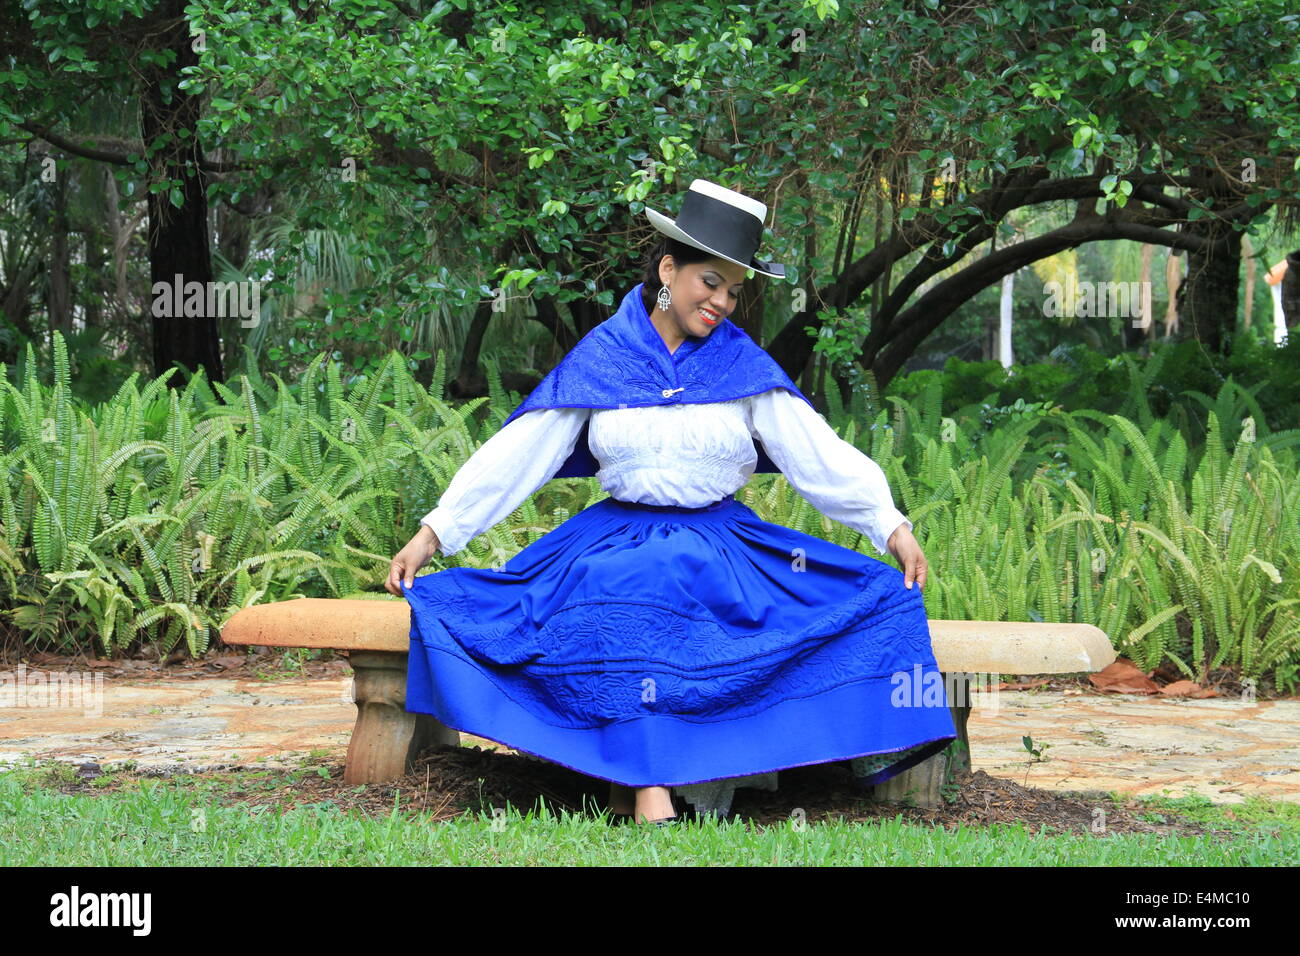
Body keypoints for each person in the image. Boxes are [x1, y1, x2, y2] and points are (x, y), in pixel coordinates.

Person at [386, 179, 956, 826]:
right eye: (710, 282)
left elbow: (817, 454)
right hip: (610, 539)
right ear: (667, 269)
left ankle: (643, 781)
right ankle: (642, 778)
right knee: (616, 587)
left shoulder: (744, 369)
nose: (722, 302)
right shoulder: (603, 357)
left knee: (855, 598)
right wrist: (432, 534)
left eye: (735, 291)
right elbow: (519, 453)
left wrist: (891, 526)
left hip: (720, 544)